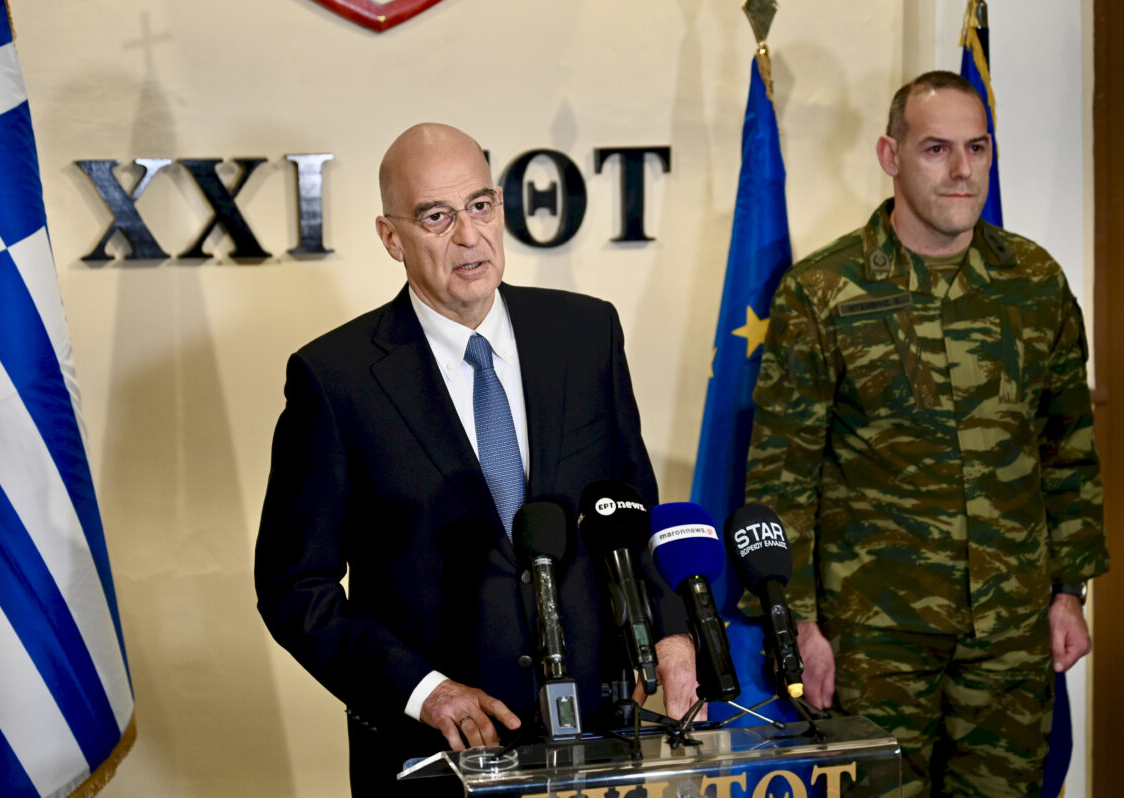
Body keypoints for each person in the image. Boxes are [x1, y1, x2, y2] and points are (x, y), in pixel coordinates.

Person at [254, 123, 697, 797]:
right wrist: (423, 691)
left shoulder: (585, 333)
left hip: (600, 737)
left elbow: (629, 509)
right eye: (437, 216)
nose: (469, 236)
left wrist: (669, 633)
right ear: (391, 238)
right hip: (436, 756)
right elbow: (295, 588)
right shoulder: (335, 379)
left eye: (481, 206)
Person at [744, 71, 1108, 797]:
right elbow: (784, 478)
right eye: (937, 149)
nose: (962, 170)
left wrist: (1069, 591)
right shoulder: (823, 292)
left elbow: (1067, 449)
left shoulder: (1034, 282)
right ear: (891, 155)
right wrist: (800, 627)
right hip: (874, 639)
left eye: (977, 148)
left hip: (1009, 634)